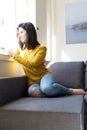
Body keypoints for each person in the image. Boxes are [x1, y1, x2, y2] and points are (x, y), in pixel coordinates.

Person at [8, 22, 87, 97]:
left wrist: (14, 55)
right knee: (34, 92)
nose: (19, 35)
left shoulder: (41, 48)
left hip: (44, 76)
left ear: (29, 33)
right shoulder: (20, 50)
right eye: (18, 33)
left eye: (21, 32)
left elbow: (32, 64)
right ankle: (51, 91)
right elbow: (16, 58)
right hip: (32, 81)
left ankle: (70, 91)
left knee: (47, 88)